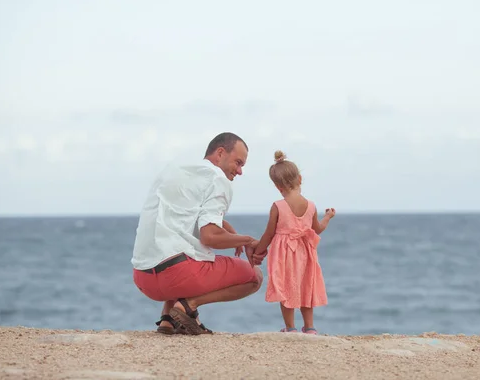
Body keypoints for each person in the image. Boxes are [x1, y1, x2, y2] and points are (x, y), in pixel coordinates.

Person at [131, 132, 265, 335]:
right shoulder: (218, 179)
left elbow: (189, 216)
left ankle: (168, 318)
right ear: (220, 153)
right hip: (177, 276)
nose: (239, 171)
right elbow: (209, 237)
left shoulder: (174, 171)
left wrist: (230, 231)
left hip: (143, 278)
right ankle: (188, 306)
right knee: (254, 276)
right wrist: (247, 240)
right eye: (238, 163)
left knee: (179, 244)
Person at [250, 150, 335, 334]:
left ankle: (290, 328)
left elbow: (269, 234)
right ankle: (310, 327)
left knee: (285, 287)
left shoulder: (278, 206)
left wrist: (258, 252)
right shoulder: (311, 205)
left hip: (284, 253)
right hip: (305, 253)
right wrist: (328, 216)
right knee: (306, 286)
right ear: (300, 178)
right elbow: (317, 229)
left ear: (278, 187)